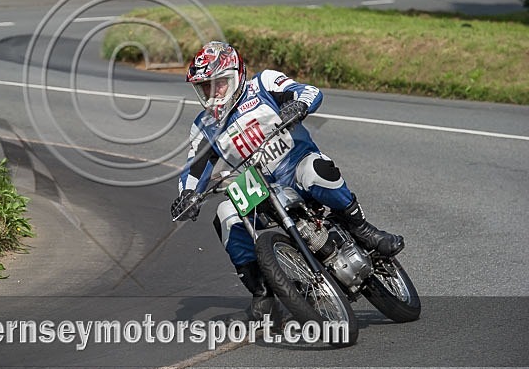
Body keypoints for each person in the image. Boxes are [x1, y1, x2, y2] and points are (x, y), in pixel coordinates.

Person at [171, 41, 404, 319]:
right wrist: (186, 196)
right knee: (225, 214)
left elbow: (309, 91)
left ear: (236, 75)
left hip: (294, 166)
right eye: (205, 87)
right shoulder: (203, 126)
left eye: (218, 83)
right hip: (256, 187)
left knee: (318, 169)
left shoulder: (264, 83)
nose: (212, 93)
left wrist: (299, 106)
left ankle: (363, 228)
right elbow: (193, 170)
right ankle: (262, 290)